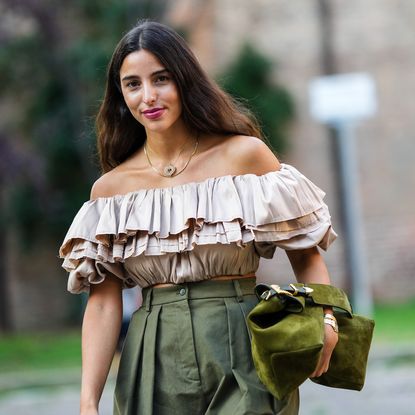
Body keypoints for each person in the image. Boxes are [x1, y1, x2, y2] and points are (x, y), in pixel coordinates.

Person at [59, 20, 339, 415]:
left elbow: (306, 254)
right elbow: (104, 304)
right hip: (151, 356)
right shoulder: (111, 190)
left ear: (185, 80)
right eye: (133, 84)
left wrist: (326, 319)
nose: (148, 96)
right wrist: (88, 402)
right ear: (120, 94)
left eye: (161, 79)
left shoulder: (245, 156)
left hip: (244, 345)